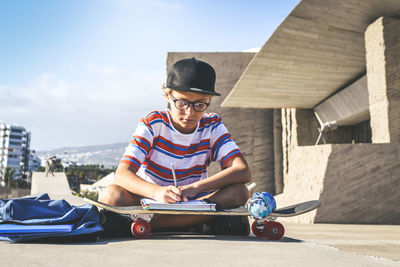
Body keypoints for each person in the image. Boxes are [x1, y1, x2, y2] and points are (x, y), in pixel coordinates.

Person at [99, 58, 251, 233]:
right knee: (111, 195)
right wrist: (157, 192)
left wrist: (194, 188)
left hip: (194, 203)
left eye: (200, 105)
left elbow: (243, 170)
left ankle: (148, 225)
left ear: (209, 100)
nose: (190, 113)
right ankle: (194, 223)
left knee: (240, 192)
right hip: (149, 202)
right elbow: (122, 174)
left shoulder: (212, 125)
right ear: (167, 96)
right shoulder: (153, 124)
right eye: (182, 103)